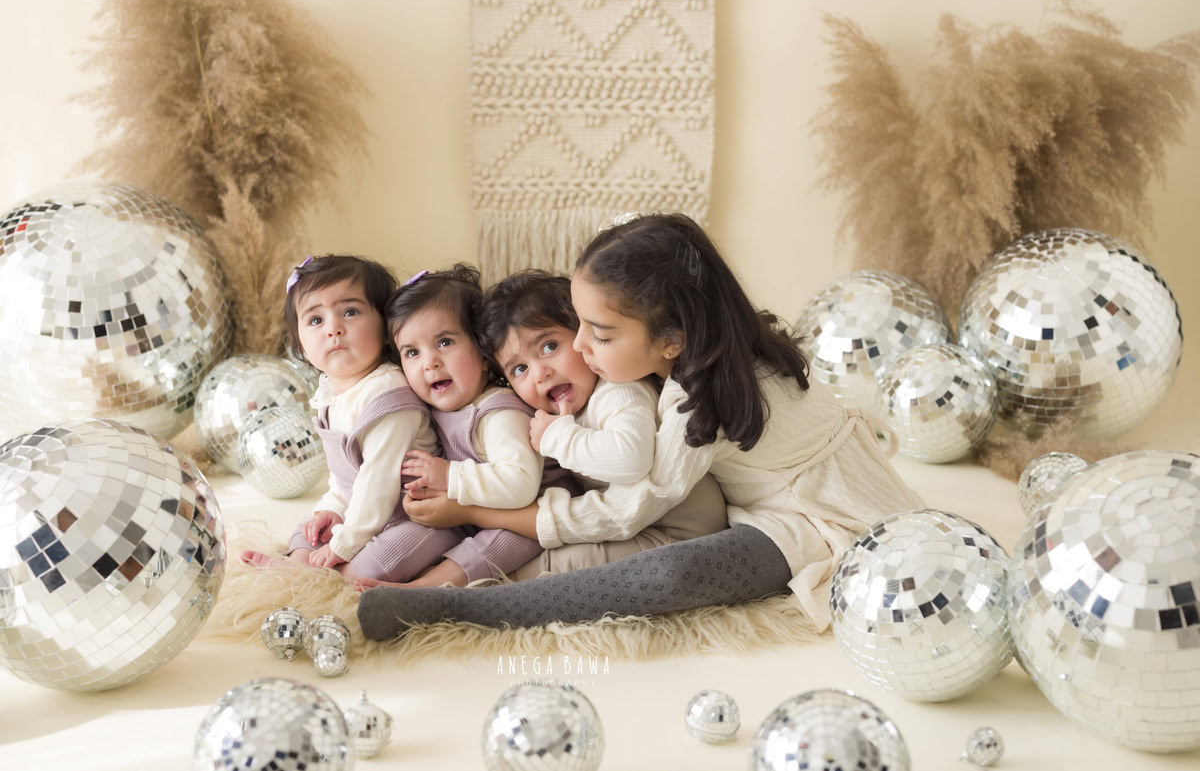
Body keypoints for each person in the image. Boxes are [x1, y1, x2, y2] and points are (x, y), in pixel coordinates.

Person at [357, 213, 923, 638]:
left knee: (668, 578)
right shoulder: (716, 346)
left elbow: (626, 511)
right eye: (578, 325)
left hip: (819, 521)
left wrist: (486, 510)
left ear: (672, 338)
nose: (580, 346)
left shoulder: (697, 400)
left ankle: (462, 608)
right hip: (770, 502)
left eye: (599, 334)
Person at [478, 269, 727, 580]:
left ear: (586, 338)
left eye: (549, 346)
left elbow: (631, 459)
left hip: (681, 533)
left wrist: (557, 437)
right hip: (640, 527)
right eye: (519, 369)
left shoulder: (617, 390)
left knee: (536, 571)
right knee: (536, 557)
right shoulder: (556, 409)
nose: (540, 373)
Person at [354, 264, 572, 590]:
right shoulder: (438, 408)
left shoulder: (499, 412)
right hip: (468, 510)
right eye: (412, 352)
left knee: (498, 542)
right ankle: (351, 573)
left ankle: (426, 589)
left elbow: (520, 484)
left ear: (484, 354)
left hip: (530, 512)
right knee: (404, 539)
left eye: (444, 342)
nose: (429, 362)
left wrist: (449, 477)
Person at [241, 253, 451, 584]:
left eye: (350, 312)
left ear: (386, 328)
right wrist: (333, 510)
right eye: (315, 320)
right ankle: (301, 564)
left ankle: (334, 577)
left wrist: (344, 544)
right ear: (300, 343)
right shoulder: (331, 394)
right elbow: (344, 477)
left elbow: (378, 483)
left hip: (418, 514)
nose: (333, 329)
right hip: (365, 512)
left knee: (379, 559)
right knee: (306, 533)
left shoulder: (389, 392)